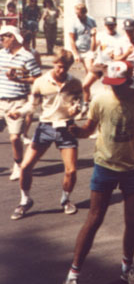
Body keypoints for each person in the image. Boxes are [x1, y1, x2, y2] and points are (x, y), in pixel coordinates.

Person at [61, 61, 134, 284]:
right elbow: (89, 129)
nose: (113, 88)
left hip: (133, 170)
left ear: (128, 80)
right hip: (105, 166)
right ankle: (73, 275)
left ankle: (127, 268)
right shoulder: (101, 100)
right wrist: (77, 132)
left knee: (133, 220)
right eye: (110, 84)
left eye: (118, 84)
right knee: (94, 218)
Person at [10, 50, 83, 220]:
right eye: (58, 67)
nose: (61, 71)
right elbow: (31, 106)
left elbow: (81, 103)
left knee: (71, 171)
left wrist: (77, 109)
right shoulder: (40, 82)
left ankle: (65, 200)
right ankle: (25, 200)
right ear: (53, 64)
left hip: (66, 128)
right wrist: (18, 113)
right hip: (45, 128)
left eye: (65, 68)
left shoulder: (75, 83)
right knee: (26, 166)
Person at [0, 24, 42, 181]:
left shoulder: (27, 56)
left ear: (13, 37)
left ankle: (18, 164)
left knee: (15, 137)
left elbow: (37, 78)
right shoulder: (1, 54)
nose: (1, 40)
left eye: (4, 37)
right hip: (0, 100)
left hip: (18, 102)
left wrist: (18, 79)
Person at [81, 16, 123, 116]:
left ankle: (108, 110)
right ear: (105, 25)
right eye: (108, 25)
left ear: (116, 25)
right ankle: (85, 105)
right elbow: (93, 48)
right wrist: (93, 37)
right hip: (99, 63)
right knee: (85, 85)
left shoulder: (120, 38)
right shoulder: (100, 35)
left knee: (108, 90)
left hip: (111, 66)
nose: (110, 27)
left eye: (112, 25)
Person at [67, 2, 96, 75]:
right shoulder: (73, 22)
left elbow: (94, 36)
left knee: (90, 70)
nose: (77, 15)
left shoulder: (91, 20)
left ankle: (86, 86)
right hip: (77, 49)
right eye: (76, 13)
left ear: (84, 13)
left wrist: (92, 50)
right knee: (65, 67)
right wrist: (75, 53)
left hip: (88, 50)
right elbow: (71, 39)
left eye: (79, 14)